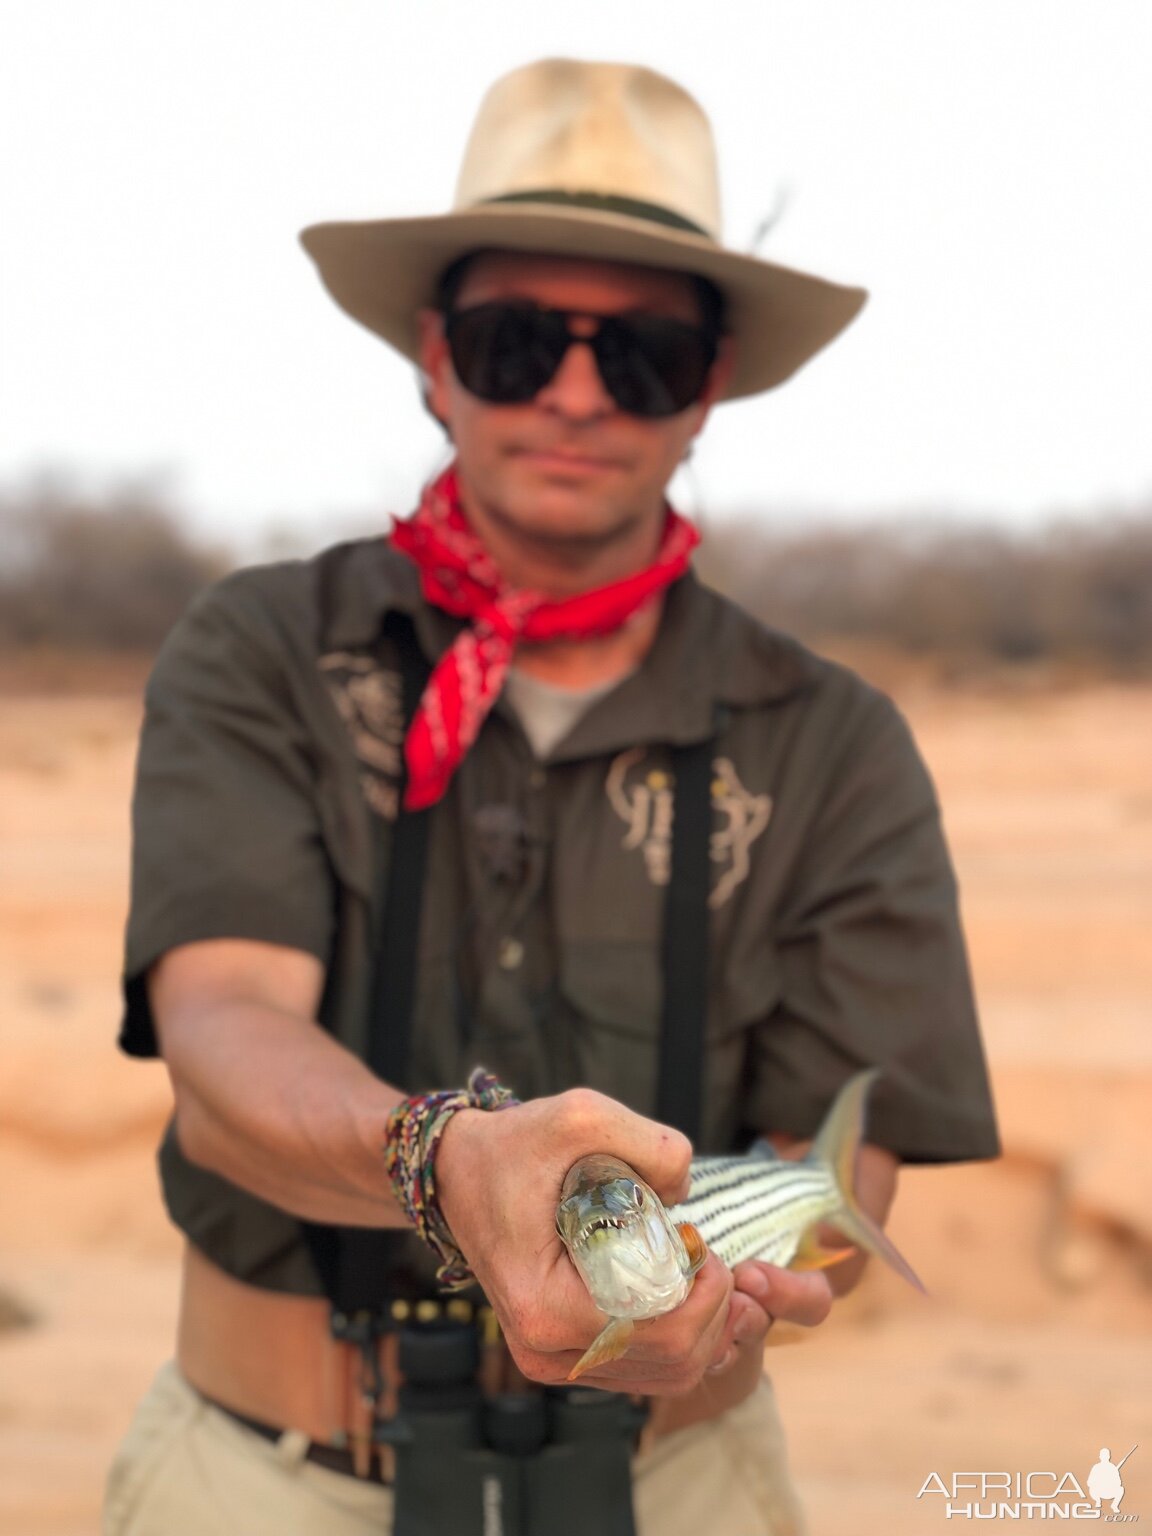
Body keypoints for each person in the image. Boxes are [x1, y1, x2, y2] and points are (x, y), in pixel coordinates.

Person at [103, 56, 999, 1536]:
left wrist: (768, 1271)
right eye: (520, 340)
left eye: (642, 354)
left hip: (678, 1481)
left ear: (706, 387)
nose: (577, 395)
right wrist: (443, 1162)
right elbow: (220, 1040)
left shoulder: (832, 740)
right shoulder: (266, 650)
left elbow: (847, 1172)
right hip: (266, 1479)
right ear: (434, 352)